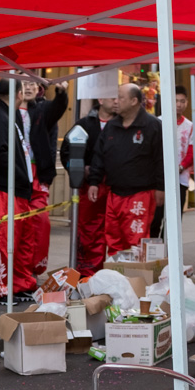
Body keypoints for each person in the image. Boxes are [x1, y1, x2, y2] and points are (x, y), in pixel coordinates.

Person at [85, 83, 163, 262]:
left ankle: (136, 280)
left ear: (134, 101)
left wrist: (161, 187)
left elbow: (161, 159)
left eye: (120, 97)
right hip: (115, 193)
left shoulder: (152, 126)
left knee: (136, 241)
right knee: (113, 238)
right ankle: (116, 276)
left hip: (141, 194)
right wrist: (94, 182)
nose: (115, 101)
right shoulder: (112, 126)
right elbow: (99, 156)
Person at [0, 78, 37, 304]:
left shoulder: (7, 116)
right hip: (3, 187)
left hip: (17, 189)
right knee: (0, 240)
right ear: (20, 93)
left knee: (21, 242)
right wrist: (20, 176)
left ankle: (20, 284)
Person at [62, 98, 114, 277]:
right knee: (89, 231)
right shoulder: (84, 124)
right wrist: (79, 168)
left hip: (115, 185)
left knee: (114, 231)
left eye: (118, 98)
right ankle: (87, 273)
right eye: (112, 98)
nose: (115, 102)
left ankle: (113, 274)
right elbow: (66, 151)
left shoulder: (121, 123)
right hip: (89, 187)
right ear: (101, 100)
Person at [24, 77, 69, 280]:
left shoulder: (43, 110)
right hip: (16, 176)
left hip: (38, 173)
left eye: (31, 84)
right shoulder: (8, 112)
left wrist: (61, 93)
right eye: (22, 84)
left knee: (40, 222)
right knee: (18, 225)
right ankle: (17, 268)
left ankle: (33, 267)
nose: (27, 88)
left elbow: (58, 108)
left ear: (39, 88)